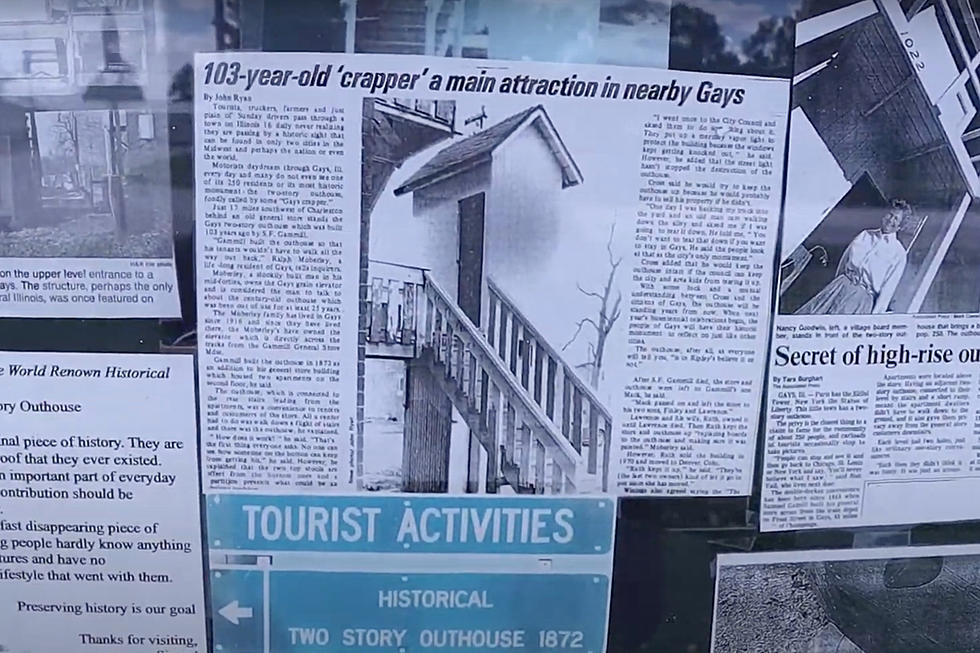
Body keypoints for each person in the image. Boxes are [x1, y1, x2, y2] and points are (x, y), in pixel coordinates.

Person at [795, 199, 912, 315]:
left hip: (860, 300)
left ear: (900, 226)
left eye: (896, 218)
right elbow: (844, 262)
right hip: (840, 286)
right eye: (890, 215)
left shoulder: (898, 253)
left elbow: (887, 291)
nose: (890, 220)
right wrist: (838, 282)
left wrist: (874, 317)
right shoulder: (865, 235)